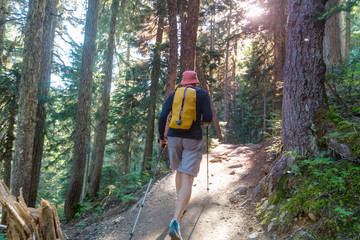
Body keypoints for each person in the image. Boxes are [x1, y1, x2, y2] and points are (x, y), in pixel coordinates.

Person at [158, 70, 212, 240]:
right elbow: (208, 117)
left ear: (183, 82)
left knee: (179, 172)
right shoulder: (202, 94)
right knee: (188, 177)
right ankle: (176, 220)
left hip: (173, 137)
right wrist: (204, 122)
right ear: (195, 82)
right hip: (193, 139)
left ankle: (180, 206)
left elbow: (162, 117)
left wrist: (161, 138)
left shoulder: (175, 94)